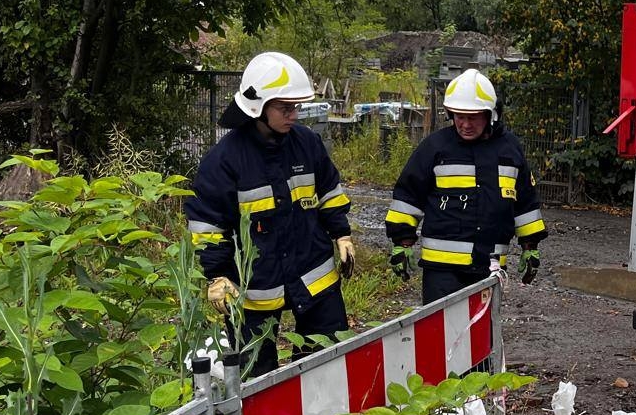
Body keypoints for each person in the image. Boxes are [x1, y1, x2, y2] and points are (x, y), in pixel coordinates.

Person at [185, 52, 356, 376]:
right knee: (255, 376)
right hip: (253, 288)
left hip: (314, 275)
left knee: (327, 364)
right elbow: (207, 224)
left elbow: (329, 191)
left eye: (296, 106)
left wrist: (341, 233)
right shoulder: (224, 161)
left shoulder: (307, 143)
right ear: (257, 107)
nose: (294, 115)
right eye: (285, 108)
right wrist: (217, 275)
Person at [386, 68, 546, 303]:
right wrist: (402, 241)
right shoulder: (435, 147)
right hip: (441, 269)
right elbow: (408, 196)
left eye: (473, 117)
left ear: (490, 115)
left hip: (489, 267)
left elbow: (525, 203)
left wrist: (530, 246)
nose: (465, 124)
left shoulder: (510, 150)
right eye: (459, 116)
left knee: (482, 328)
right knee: (442, 327)